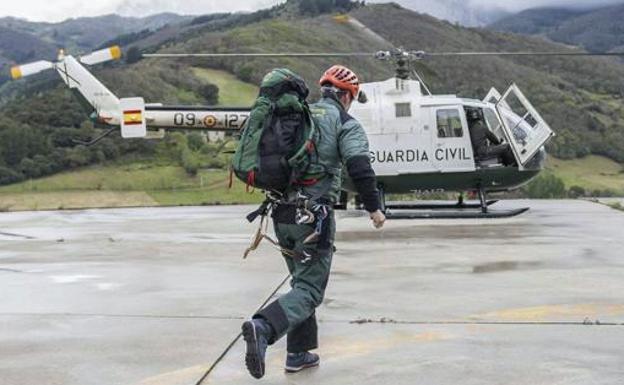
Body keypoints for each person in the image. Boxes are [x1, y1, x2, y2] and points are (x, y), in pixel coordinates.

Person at [241, 65, 386, 379]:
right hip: (312, 219)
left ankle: (298, 354)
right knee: (309, 290)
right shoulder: (345, 123)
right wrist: (374, 209)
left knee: (300, 283)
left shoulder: (300, 117)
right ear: (347, 95)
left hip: (281, 215)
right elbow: (359, 167)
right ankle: (263, 327)